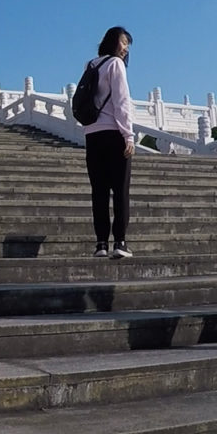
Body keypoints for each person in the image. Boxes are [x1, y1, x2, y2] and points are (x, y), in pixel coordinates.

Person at [83, 27, 135, 260]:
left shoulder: (91, 64)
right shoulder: (115, 64)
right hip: (114, 133)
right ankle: (120, 242)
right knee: (120, 190)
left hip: (92, 134)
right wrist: (128, 135)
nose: (125, 49)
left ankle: (101, 243)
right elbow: (121, 101)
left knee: (99, 191)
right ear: (113, 42)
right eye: (124, 42)